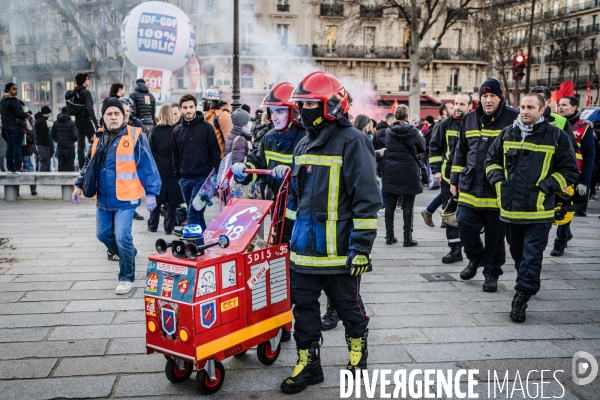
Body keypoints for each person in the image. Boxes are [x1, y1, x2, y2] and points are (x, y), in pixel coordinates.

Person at [277, 71, 380, 394]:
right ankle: (309, 365)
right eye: (301, 104)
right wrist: (286, 238)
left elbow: (367, 201)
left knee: (348, 307)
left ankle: (357, 356)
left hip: (340, 252)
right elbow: (295, 198)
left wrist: (361, 248)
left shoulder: (355, 142)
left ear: (332, 105)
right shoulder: (304, 142)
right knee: (303, 309)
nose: (302, 110)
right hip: (304, 250)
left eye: (309, 103)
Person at [485, 92, 578, 322]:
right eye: (522, 107)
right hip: (510, 210)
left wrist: (547, 186)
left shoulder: (556, 136)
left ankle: (521, 297)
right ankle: (525, 281)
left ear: (542, 109)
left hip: (540, 211)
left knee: (532, 256)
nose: (524, 111)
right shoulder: (507, 133)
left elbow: (569, 171)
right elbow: (491, 160)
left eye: (530, 107)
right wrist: (497, 179)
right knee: (518, 255)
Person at [232, 82, 308, 337]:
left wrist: (291, 172)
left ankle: (305, 312)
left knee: (297, 269)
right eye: (272, 112)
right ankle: (281, 319)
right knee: (277, 266)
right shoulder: (269, 138)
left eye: (280, 111)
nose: (274, 117)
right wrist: (243, 170)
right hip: (278, 210)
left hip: (300, 213)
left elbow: (310, 172)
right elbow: (257, 162)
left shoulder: (304, 138)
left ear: (292, 112)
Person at [72, 98, 161, 294]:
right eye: (109, 114)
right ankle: (128, 252)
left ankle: (126, 278)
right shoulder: (98, 137)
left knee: (122, 236)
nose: (113, 117)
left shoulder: (136, 136)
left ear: (123, 115)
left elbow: (147, 165)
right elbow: (88, 164)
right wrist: (79, 186)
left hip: (126, 198)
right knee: (102, 234)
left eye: (116, 113)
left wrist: (152, 192)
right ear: (103, 117)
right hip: (103, 197)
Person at [450, 78, 519, 293]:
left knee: (495, 235)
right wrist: (454, 181)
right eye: (484, 96)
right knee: (464, 226)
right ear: (479, 98)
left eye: (493, 96)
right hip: (470, 186)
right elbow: (460, 152)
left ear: (501, 98)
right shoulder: (469, 119)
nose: (488, 100)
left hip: (497, 188)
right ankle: (475, 258)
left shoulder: (514, 119)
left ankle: (491, 273)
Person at [428, 93, 472, 264]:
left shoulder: (476, 123)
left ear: (470, 106)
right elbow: (435, 147)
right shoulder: (445, 125)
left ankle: (471, 248)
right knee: (450, 213)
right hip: (447, 177)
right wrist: (437, 172)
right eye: (456, 103)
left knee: (469, 215)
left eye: (462, 104)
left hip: (470, 178)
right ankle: (455, 250)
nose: (458, 107)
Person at [550, 96, 595, 255]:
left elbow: (589, 156)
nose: (560, 107)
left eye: (564, 105)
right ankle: (566, 234)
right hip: (556, 172)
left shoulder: (584, 127)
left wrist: (585, 181)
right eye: (559, 104)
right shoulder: (555, 124)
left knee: (566, 207)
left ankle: (559, 243)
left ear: (574, 107)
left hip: (574, 175)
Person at [172, 94, 221, 233]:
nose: (188, 110)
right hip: (184, 178)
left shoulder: (207, 128)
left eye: (191, 107)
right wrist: (178, 176)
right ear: (181, 109)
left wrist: (218, 176)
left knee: (192, 212)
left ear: (196, 107)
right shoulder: (177, 130)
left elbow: (215, 153)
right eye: (185, 108)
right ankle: (203, 241)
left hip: (203, 178)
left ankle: (192, 243)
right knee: (197, 213)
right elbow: (174, 155)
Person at [382, 105, 426, 246]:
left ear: (395, 116)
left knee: (390, 205)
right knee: (408, 205)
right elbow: (422, 146)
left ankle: (389, 236)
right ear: (407, 116)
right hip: (409, 169)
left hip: (392, 169)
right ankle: (407, 238)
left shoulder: (389, 131)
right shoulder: (413, 131)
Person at [148, 105, 184, 235]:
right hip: (174, 168)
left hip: (159, 168)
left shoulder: (155, 131)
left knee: (157, 198)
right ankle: (169, 227)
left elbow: (150, 152)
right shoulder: (178, 130)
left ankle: (152, 225)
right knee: (172, 201)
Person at [66, 72, 97, 170]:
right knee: (94, 141)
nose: (89, 80)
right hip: (86, 120)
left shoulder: (75, 92)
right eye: (88, 79)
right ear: (84, 80)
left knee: (81, 144)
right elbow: (90, 108)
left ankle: (82, 166)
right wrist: (96, 122)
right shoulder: (85, 92)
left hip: (78, 120)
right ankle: (93, 163)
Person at [1, 82, 29, 173]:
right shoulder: (13, 101)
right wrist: (27, 114)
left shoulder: (3, 100)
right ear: (8, 90)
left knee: (10, 147)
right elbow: (20, 113)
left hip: (6, 126)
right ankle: (18, 167)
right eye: (13, 89)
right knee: (17, 147)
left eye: (17, 89)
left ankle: (10, 167)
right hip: (15, 126)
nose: (16, 91)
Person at [374, 113, 394, 217]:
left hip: (384, 160)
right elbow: (389, 144)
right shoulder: (383, 131)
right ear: (390, 121)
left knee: (385, 184)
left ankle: (384, 205)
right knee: (385, 184)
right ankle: (383, 205)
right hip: (385, 160)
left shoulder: (382, 130)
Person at [203, 89, 231, 158]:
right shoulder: (208, 115)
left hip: (219, 160)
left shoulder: (223, 115)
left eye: (204, 99)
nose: (202, 102)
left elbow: (229, 140)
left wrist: (226, 161)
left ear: (209, 101)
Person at [52, 106, 78, 171]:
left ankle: (61, 179)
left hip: (60, 146)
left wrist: (57, 140)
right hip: (70, 147)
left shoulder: (56, 123)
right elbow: (75, 136)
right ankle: (69, 180)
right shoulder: (72, 123)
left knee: (61, 164)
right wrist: (74, 141)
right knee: (70, 164)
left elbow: (53, 134)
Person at [34, 106, 54, 172]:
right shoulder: (41, 121)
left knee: (43, 161)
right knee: (44, 161)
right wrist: (47, 144)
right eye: (49, 113)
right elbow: (43, 135)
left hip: (40, 144)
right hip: (42, 145)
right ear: (45, 113)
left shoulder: (39, 120)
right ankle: (41, 177)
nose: (49, 115)